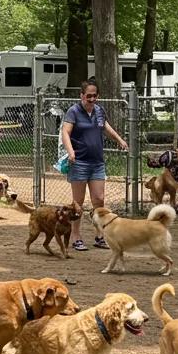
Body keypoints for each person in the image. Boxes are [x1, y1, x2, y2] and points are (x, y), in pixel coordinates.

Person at [62, 80, 128, 251]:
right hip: (79, 162)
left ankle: (99, 236)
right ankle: (76, 236)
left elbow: (105, 126)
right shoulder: (74, 111)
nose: (91, 99)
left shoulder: (99, 110)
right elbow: (65, 132)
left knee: (99, 199)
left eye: (94, 96)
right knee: (78, 203)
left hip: (97, 162)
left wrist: (119, 140)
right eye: (88, 96)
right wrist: (71, 152)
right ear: (82, 95)